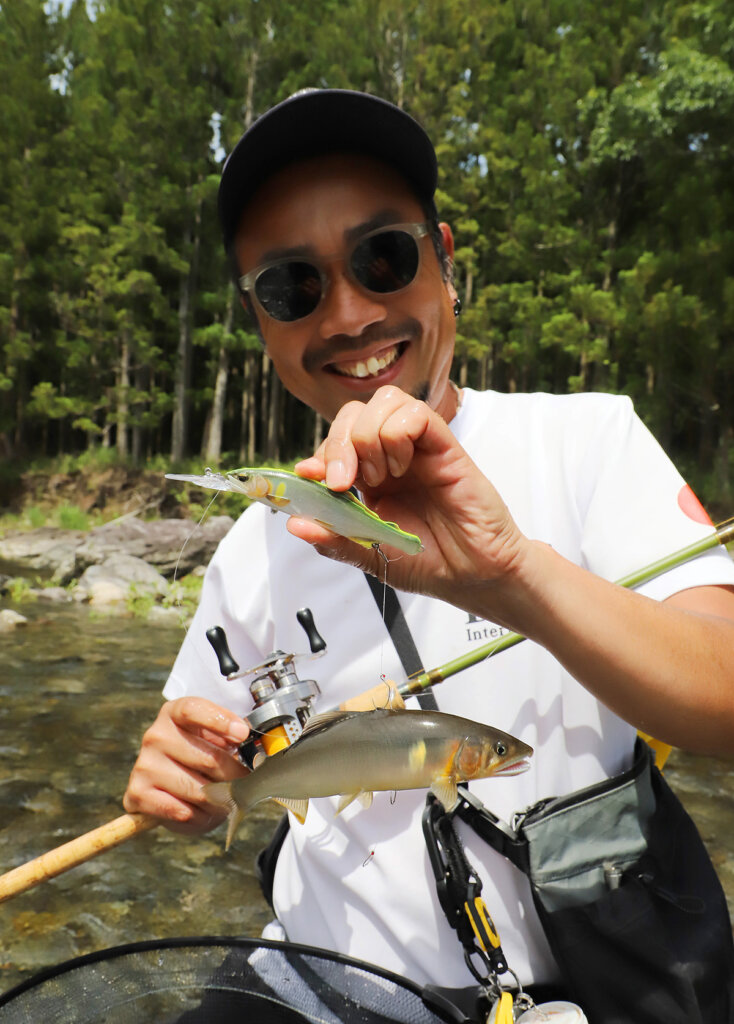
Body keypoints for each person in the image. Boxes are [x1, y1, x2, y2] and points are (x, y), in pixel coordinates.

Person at [123, 89, 734, 998]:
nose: (347, 314)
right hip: (308, 984)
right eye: (294, 285)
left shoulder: (589, 440)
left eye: (382, 257)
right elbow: (220, 773)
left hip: (579, 983)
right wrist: (184, 785)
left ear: (445, 262)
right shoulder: (251, 550)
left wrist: (514, 577)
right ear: (261, 323)